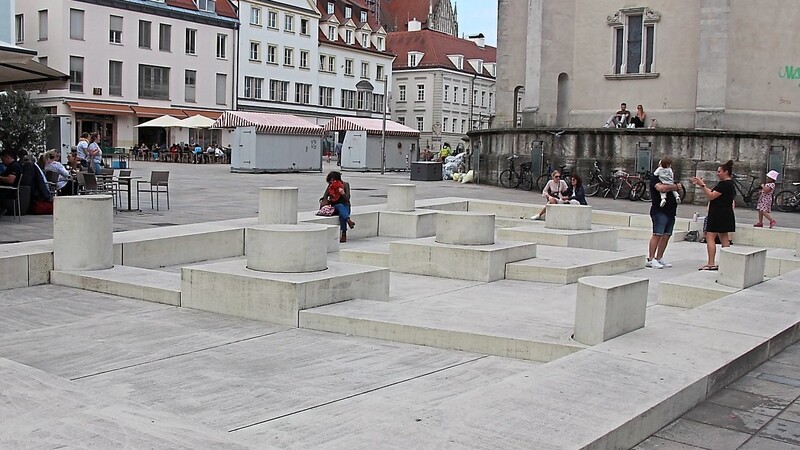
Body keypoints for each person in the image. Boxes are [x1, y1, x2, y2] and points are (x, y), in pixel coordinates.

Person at [691, 160, 736, 271]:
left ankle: (711, 263)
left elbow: (711, 196)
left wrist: (702, 185)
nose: (717, 173)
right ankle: (726, 262)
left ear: (726, 172)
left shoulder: (724, 185)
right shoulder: (731, 184)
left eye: (719, 171)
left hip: (718, 214)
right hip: (727, 214)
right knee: (724, 238)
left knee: (710, 236)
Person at [646, 162, 684, 269]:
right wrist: (675, 187)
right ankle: (651, 258)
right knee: (657, 234)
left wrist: (676, 187)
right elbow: (661, 188)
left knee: (666, 235)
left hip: (671, 211)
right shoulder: (655, 178)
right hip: (659, 211)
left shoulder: (670, 179)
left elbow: (675, 187)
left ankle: (659, 257)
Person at [320, 171, 355, 242]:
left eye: (332, 180)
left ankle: (344, 234)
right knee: (339, 206)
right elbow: (325, 197)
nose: (331, 182)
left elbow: (347, 198)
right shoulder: (330, 186)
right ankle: (348, 221)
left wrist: (343, 193)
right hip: (334, 207)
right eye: (330, 181)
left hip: (345, 206)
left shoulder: (345, 185)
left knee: (342, 214)